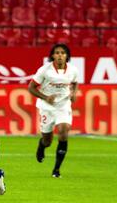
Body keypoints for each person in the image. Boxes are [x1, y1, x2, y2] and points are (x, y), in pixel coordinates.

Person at [28, 43, 79, 178]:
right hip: (47, 107)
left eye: (63, 53)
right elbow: (31, 87)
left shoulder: (73, 70)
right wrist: (46, 97)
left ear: (67, 55)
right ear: (52, 55)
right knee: (48, 141)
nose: (60, 55)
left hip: (63, 106)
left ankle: (56, 170)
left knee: (63, 131)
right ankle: (42, 146)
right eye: (57, 53)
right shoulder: (45, 70)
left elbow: (74, 82)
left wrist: (73, 93)